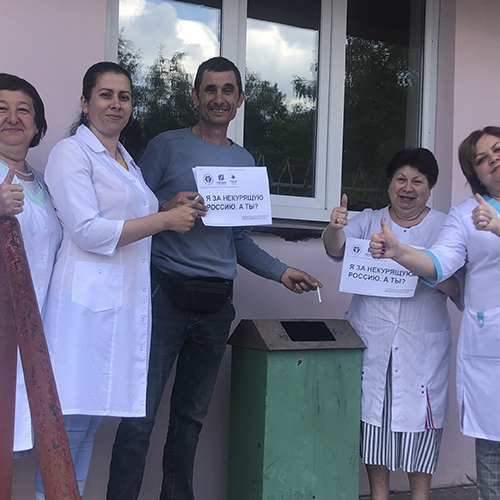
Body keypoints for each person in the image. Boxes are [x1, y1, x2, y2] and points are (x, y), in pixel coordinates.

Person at [106, 56, 322, 500]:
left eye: (227, 90)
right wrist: (167, 207)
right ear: (195, 96)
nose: (218, 98)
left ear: (240, 99)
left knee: (190, 420)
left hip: (216, 306)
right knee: (138, 414)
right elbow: (130, 208)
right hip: (163, 295)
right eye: (210, 89)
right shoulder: (166, 146)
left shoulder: (244, 161)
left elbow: (238, 239)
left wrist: (283, 272)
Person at [36, 62, 197, 499]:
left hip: (117, 307)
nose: (116, 104)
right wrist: (164, 221)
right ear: (85, 102)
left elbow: (125, 211)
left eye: (124, 96)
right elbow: (87, 229)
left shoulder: (124, 158)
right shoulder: (71, 152)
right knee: (66, 428)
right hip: (81, 308)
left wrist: (166, 205)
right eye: (105, 95)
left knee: (87, 426)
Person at [323, 148, 462, 500]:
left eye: (418, 181)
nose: (408, 188)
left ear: (430, 187)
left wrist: (420, 268)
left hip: (421, 345)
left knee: (421, 427)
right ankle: (379, 495)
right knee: (374, 423)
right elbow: (337, 249)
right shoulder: (369, 220)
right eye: (401, 179)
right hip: (373, 338)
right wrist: (334, 228)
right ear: (389, 183)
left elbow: (458, 287)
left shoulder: (445, 226)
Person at [369, 127, 500, 500]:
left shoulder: (488, 218)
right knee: (493, 458)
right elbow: (439, 263)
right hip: (492, 348)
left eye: (498, 149)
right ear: (475, 173)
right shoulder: (465, 215)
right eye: (481, 159)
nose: (493, 159)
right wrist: (399, 251)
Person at [0, 73, 62, 457]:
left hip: (34, 329)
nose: (13, 117)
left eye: (23, 110)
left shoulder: (43, 183)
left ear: (37, 125)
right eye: (2, 109)